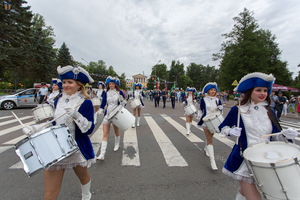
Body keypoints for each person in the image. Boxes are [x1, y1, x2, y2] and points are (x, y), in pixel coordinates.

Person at [218, 72, 298, 200]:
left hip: (265, 160)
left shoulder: (269, 110)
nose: (263, 93)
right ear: (250, 91)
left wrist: (285, 135)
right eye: (258, 90)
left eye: (265, 90)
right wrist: (230, 131)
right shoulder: (238, 110)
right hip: (245, 159)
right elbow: (222, 127)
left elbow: (275, 136)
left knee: (247, 193)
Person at [23, 65, 95, 200]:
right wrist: (34, 129)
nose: (65, 85)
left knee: (83, 176)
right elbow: (52, 122)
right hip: (55, 149)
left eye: (70, 82)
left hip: (76, 148)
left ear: (79, 85)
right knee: (49, 194)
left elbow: (89, 129)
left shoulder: (85, 103)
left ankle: (86, 194)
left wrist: (76, 115)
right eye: (64, 82)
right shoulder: (57, 101)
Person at [96, 76, 126, 160]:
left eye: (113, 84)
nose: (111, 85)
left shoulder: (119, 92)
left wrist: (121, 99)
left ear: (115, 84)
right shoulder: (106, 93)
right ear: (108, 84)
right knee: (105, 134)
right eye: (110, 84)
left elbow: (124, 104)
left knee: (116, 130)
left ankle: (117, 144)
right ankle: (102, 154)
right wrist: (100, 110)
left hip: (116, 114)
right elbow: (103, 103)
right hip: (108, 114)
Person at [197, 82, 222, 171]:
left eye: (214, 90)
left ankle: (205, 148)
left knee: (210, 138)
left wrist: (220, 109)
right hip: (206, 121)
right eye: (211, 90)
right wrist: (199, 115)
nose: (213, 91)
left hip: (215, 122)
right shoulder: (204, 100)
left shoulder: (218, 100)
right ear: (208, 91)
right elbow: (200, 109)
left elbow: (220, 112)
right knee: (210, 140)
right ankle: (212, 161)